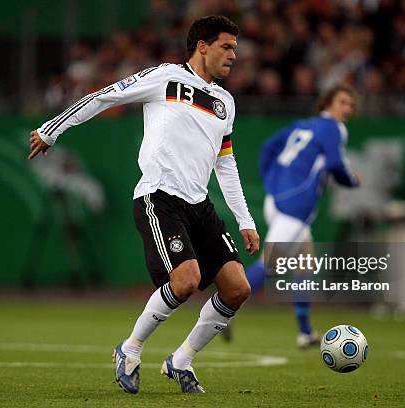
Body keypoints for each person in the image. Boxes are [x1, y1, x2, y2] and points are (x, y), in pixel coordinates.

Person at [28, 15, 259, 394]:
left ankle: (181, 360)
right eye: (227, 47)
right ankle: (130, 349)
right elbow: (104, 96)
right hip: (159, 197)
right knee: (186, 281)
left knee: (237, 289)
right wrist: (53, 129)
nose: (234, 55)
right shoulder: (165, 78)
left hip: (199, 205)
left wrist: (245, 219)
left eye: (235, 48)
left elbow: (226, 163)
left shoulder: (225, 102)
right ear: (202, 46)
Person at [245, 84, 359, 349]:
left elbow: (267, 148)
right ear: (328, 103)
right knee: (271, 262)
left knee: (305, 262)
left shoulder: (303, 124)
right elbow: (334, 164)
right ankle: (223, 308)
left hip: (277, 200)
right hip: (295, 206)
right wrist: (352, 180)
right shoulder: (333, 128)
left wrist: (272, 183)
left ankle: (305, 332)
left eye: (351, 105)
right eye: (343, 102)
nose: (348, 109)